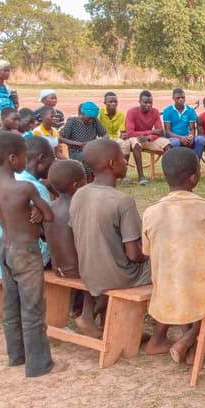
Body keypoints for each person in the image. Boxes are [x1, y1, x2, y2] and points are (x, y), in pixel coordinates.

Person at [70, 140, 167, 354]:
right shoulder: (122, 201)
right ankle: (162, 333)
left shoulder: (80, 193)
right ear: (112, 163)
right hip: (118, 275)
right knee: (168, 265)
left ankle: (92, 315)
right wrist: (152, 254)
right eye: (123, 159)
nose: (126, 162)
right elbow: (133, 255)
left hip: (87, 270)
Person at [143, 147, 205, 363]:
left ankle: (175, 341)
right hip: (199, 292)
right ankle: (189, 339)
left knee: (182, 280)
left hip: (165, 290)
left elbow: (148, 253)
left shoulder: (150, 212)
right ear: (194, 177)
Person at [0, 131, 56, 377]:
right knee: (33, 309)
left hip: (4, 246)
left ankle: (16, 355)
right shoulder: (24, 187)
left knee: (11, 305)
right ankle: (39, 364)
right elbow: (48, 215)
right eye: (24, 158)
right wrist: (37, 210)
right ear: (12, 158)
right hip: (25, 251)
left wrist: (32, 211)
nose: (25, 162)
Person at [42, 160, 100, 338]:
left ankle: (79, 309)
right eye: (85, 181)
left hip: (57, 268)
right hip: (78, 271)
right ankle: (89, 315)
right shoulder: (79, 209)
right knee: (106, 270)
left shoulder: (49, 207)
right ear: (76, 185)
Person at [0, 137, 54, 281]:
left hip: (0, 253)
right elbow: (49, 225)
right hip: (26, 256)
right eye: (51, 162)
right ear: (40, 159)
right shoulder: (32, 188)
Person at [125, 90, 170, 186]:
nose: (148, 105)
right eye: (145, 102)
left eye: (150, 102)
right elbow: (130, 133)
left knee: (167, 143)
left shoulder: (155, 112)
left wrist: (149, 137)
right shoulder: (131, 112)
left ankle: (169, 174)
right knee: (136, 144)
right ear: (139, 102)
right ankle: (141, 177)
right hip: (136, 138)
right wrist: (149, 132)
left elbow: (160, 131)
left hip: (149, 139)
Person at [60, 101, 107, 169]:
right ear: (82, 114)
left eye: (93, 119)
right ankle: (88, 177)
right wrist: (80, 144)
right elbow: (61, 138)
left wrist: (95, 143)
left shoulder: (95, 121)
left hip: (92, 149)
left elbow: (106, 134)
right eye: (89, 118)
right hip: (75, 151)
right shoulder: (72, 121)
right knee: (89, 157)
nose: (91, 121)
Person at [163, 88, 205, 159]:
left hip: (186, 137)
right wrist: (180, 138)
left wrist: (191, 137)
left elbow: (192, 128)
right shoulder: (167, 111)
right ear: (173, 98)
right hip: (173, 138)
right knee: (175, 142)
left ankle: (195, 163)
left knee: (200, 140)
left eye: (183, 97)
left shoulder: (190, 110)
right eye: (178, 98)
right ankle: (177, 165)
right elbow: (167, 132)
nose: (181, 99)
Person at [98, 92, 132, 165]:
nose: (113, 104)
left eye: (115, 102)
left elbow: (122, 131)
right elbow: (96, 126)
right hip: (102, 137)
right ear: (105, 103)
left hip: (116, 138)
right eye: (110, 102)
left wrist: (123, 135)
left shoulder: (121, 115)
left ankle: (123, 170)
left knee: (125, 143)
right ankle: (104, 170)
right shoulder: (100, 112)